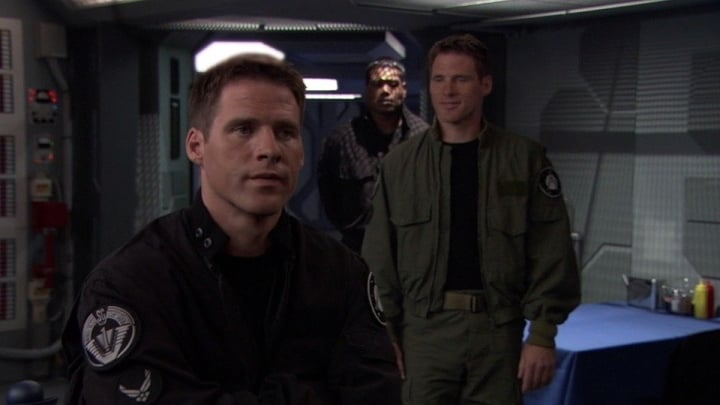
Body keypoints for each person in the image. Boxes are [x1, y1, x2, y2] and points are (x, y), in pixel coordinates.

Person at [62, 54, 400, 404]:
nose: (269, 150)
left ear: (301, 153)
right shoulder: (130, 283)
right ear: (197, 146)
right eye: (243, 130)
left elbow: (378, 394)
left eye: (286, 132)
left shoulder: (341, 274)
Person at [362, 34, 581, 404]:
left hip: (497, 332)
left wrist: (543, 335)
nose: (447, 91)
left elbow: (551, 250)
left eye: (460, 79)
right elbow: (379, 258)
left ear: (486, 84)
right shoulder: (401, 164)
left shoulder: (523, 159)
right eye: (439, 79)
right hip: (424, 333)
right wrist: (385, 335)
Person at [317, 57, 428, 252]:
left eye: (392, 84)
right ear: (367, 90)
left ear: (404, 89)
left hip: (413, 248)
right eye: (377, 84)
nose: (385, 91)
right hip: (358, 247)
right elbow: (329, 195)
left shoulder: (424, 138)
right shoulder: (342, 140)